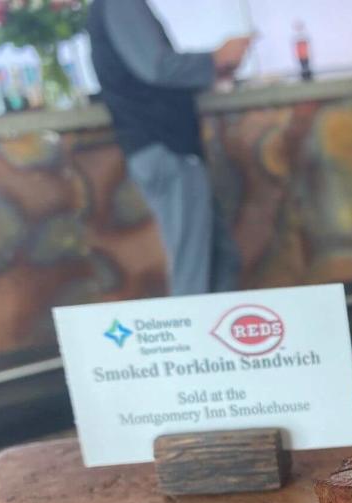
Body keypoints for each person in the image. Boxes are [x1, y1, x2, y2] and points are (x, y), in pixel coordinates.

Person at [88, 0, 251, 297]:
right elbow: (155, 66)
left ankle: (214, 339)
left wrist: (209, 72)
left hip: (166, 146)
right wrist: (215, 58)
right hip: (165, 145)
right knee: (196, 274)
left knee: (219, 260)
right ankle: (196, 341)